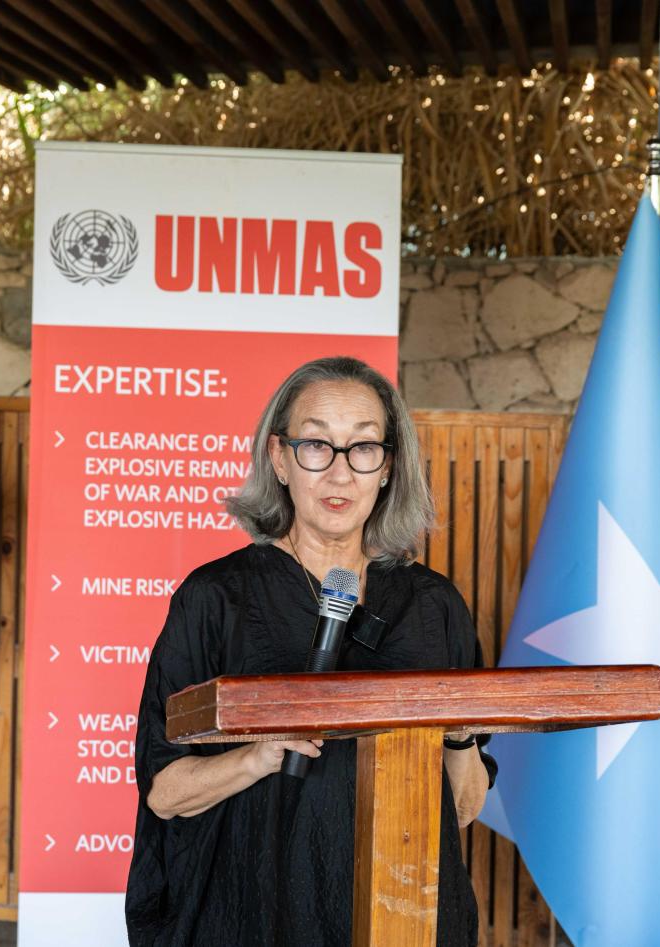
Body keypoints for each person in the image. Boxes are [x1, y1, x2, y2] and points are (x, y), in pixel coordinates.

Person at [126, 356, 496, 946]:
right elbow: (166, 793)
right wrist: (258, 755)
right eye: (316, 445)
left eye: (364, 448)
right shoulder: (215, 598)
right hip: (250, 910)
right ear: (279, 459)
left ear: (388, 466)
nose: (341, 473)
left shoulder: (433, 605)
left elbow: (460, 811)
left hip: (402, 915)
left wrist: (457, 737)